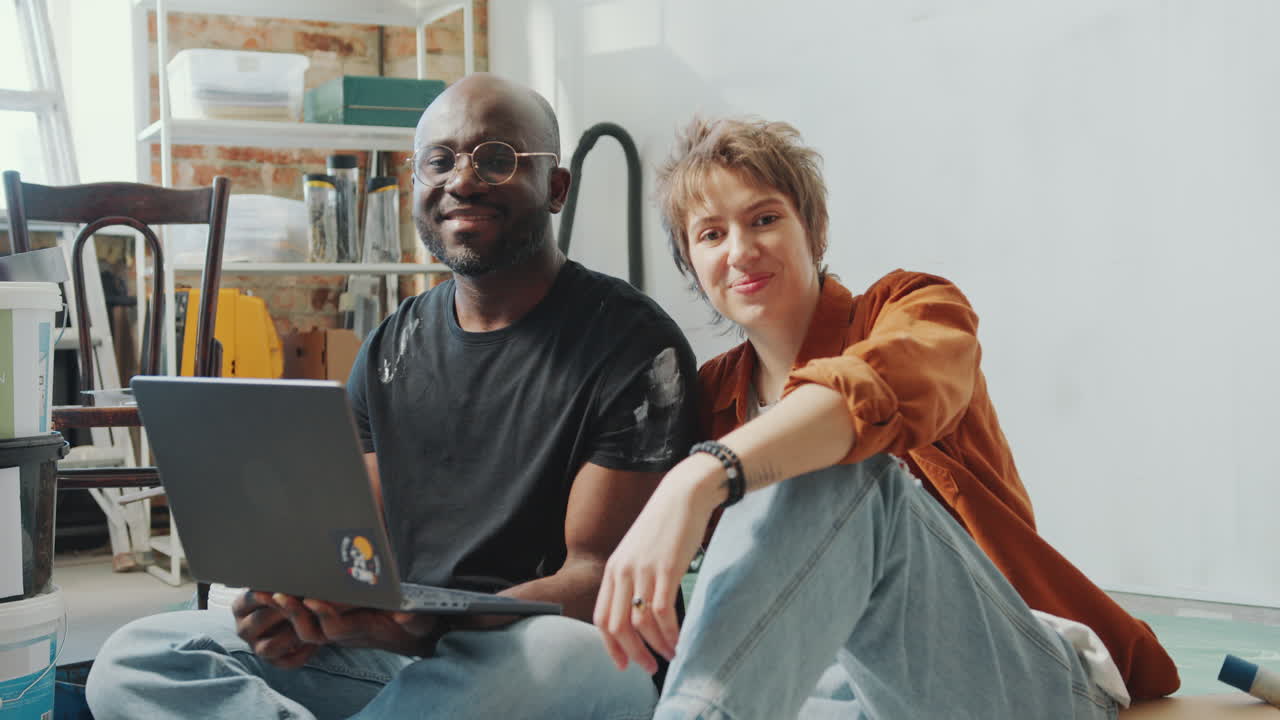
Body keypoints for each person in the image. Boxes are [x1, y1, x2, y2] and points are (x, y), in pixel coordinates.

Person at [85, 73, 698, 720]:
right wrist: (314, 608)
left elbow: (602, 580)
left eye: (496, 158)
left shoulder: (635, 348)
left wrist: (420, 628)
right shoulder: (390, 348)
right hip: (405, 653)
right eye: (438, 161)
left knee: (572, 655)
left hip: (535, 653)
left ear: (555, 188)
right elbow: (358, 550)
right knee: (141, 655)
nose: (461, 181)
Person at [594, 116, 1180, 719]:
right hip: (842, 696)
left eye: (764, 219)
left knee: (832, 466)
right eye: (711, 235)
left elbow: (873, 392)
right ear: (692, 265)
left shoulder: (916, 308)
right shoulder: (711, 395)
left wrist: (700, 476)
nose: (741, 250)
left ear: (813, 231)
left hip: (1007, 681)